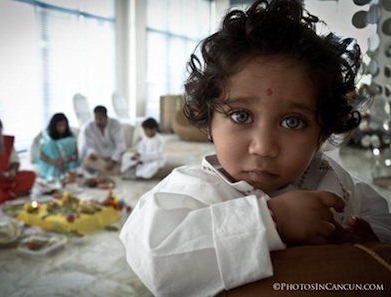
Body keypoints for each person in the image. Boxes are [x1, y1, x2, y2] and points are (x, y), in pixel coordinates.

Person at [119, 1, 391, 296]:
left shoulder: (335, 180)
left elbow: (381, 218)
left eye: (292, 122)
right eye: (241, 116)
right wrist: (271, 220)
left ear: (322, 132)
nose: (263, 147)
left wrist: (367, 235)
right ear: (209, 120)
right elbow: (155, 258)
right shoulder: (189, 191)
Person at [80, 105, 126, 174]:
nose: (98, 121)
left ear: (106, 117)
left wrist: (113, 160)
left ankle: (105, 171)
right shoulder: (89, 127)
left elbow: (120, 145)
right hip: (99, 158)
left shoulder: (115, 125)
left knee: (128, 158)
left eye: (100, 119)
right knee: (86, 161)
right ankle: (114, 171)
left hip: (114, 157)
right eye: (96, 118)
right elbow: (89, 146)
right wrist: (92, 153)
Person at [37, 113, 79, 181]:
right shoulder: (47, 136)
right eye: (59, 126)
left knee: (73, 171)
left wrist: (67, 159)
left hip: (68, 162)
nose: (62, 128)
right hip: (51, 163)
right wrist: (55, 162)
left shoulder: (71, 135)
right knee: (51, 144)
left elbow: (76, 152)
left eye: (64, 125)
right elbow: (41, 154)